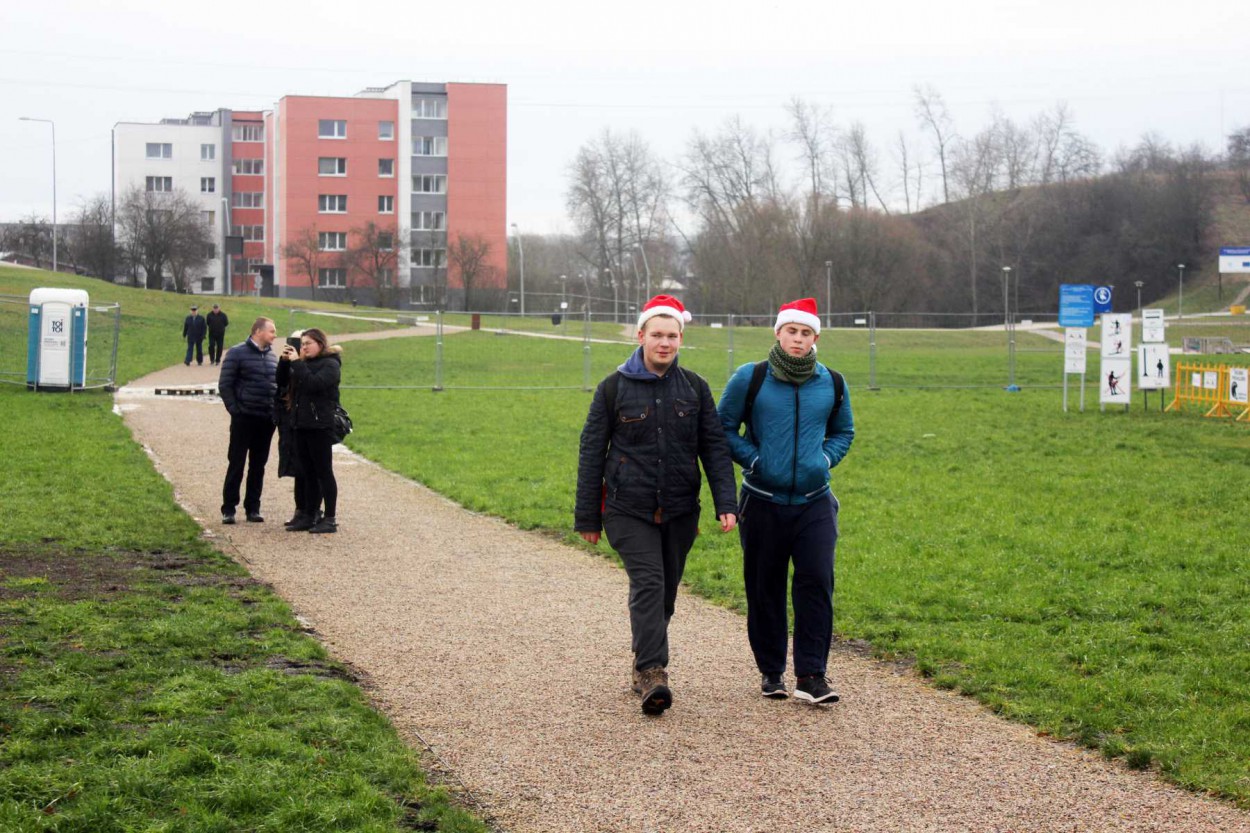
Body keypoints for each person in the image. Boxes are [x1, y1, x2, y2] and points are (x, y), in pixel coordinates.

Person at [575, 295, 738, 715]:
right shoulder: (612, 388)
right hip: (627, 508)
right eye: (657, 335)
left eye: (672, 336)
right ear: (641, 336)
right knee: (649, 582)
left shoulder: (695, 388)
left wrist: (726, 501)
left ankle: (641, 661)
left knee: (665, 593)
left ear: (681, 338)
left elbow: (714, 448)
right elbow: (592, 452)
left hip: (680, 509)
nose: (664, 343)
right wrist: (588, 516)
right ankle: (653, 672)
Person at [718, 298, 855, 705]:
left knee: (817, 582)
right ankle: (771, 671)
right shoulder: (751, 378)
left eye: (806, 333)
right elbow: (723, 428)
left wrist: (823, 460)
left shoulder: (833, 382)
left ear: (816, 338)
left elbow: (843, 432)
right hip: (762, 500)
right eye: (791, 331)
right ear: (778, 333)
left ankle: (812, 675)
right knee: (766, 587)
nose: (798, 339)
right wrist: (756, 460)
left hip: (815, 502)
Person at [218, 317, 279, 524]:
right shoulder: (237, 353)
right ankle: (229, 508)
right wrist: (235, 410)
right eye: (272, 331)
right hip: (244, 417)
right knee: (236, 462)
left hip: (266, 419)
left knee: (258, 465)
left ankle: (253, 508)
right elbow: (225, 384)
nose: (275, 335)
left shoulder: (272, 357)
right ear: (258, 331)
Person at [284, 328, 342, 534]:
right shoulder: (304, 364)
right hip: (301, 424)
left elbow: (314, 384)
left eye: (308, 343)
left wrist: (297, 363)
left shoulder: (331, 364)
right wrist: (285, 362)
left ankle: (330, 518)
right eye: (302, 344)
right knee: (307, 472)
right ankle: (310, 514)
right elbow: (284, 383)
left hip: (320, 426)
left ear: (320, 343)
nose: (304, 347)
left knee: (323, 472)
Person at [274, 330, 311, 531]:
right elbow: (280, 381)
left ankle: (313, 510)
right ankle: (300, 509)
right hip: (291, 419)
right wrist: (284, 361)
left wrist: (297, 362)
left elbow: (309, 382)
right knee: (297, 467)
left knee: (311, 469)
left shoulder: (314, 364)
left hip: (309, 421)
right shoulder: (292, 363)